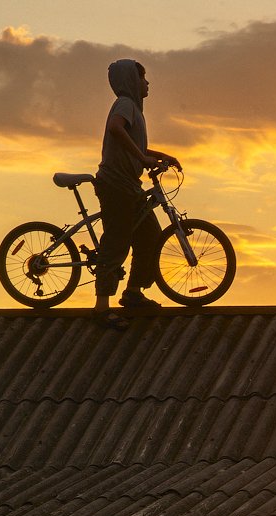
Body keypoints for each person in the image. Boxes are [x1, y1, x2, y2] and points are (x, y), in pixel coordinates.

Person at [93, 59, 181, 329]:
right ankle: (100, 308)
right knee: (117, 240)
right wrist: (143, 158)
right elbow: (116, 129)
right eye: (143, 78)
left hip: (129, 185)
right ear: (132, 81)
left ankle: (133, 293)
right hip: (116, 184)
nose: (147, 83)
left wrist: (158, 155)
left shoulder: (135, 111)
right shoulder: (125, 104)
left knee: (150, 237)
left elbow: (136, 142)